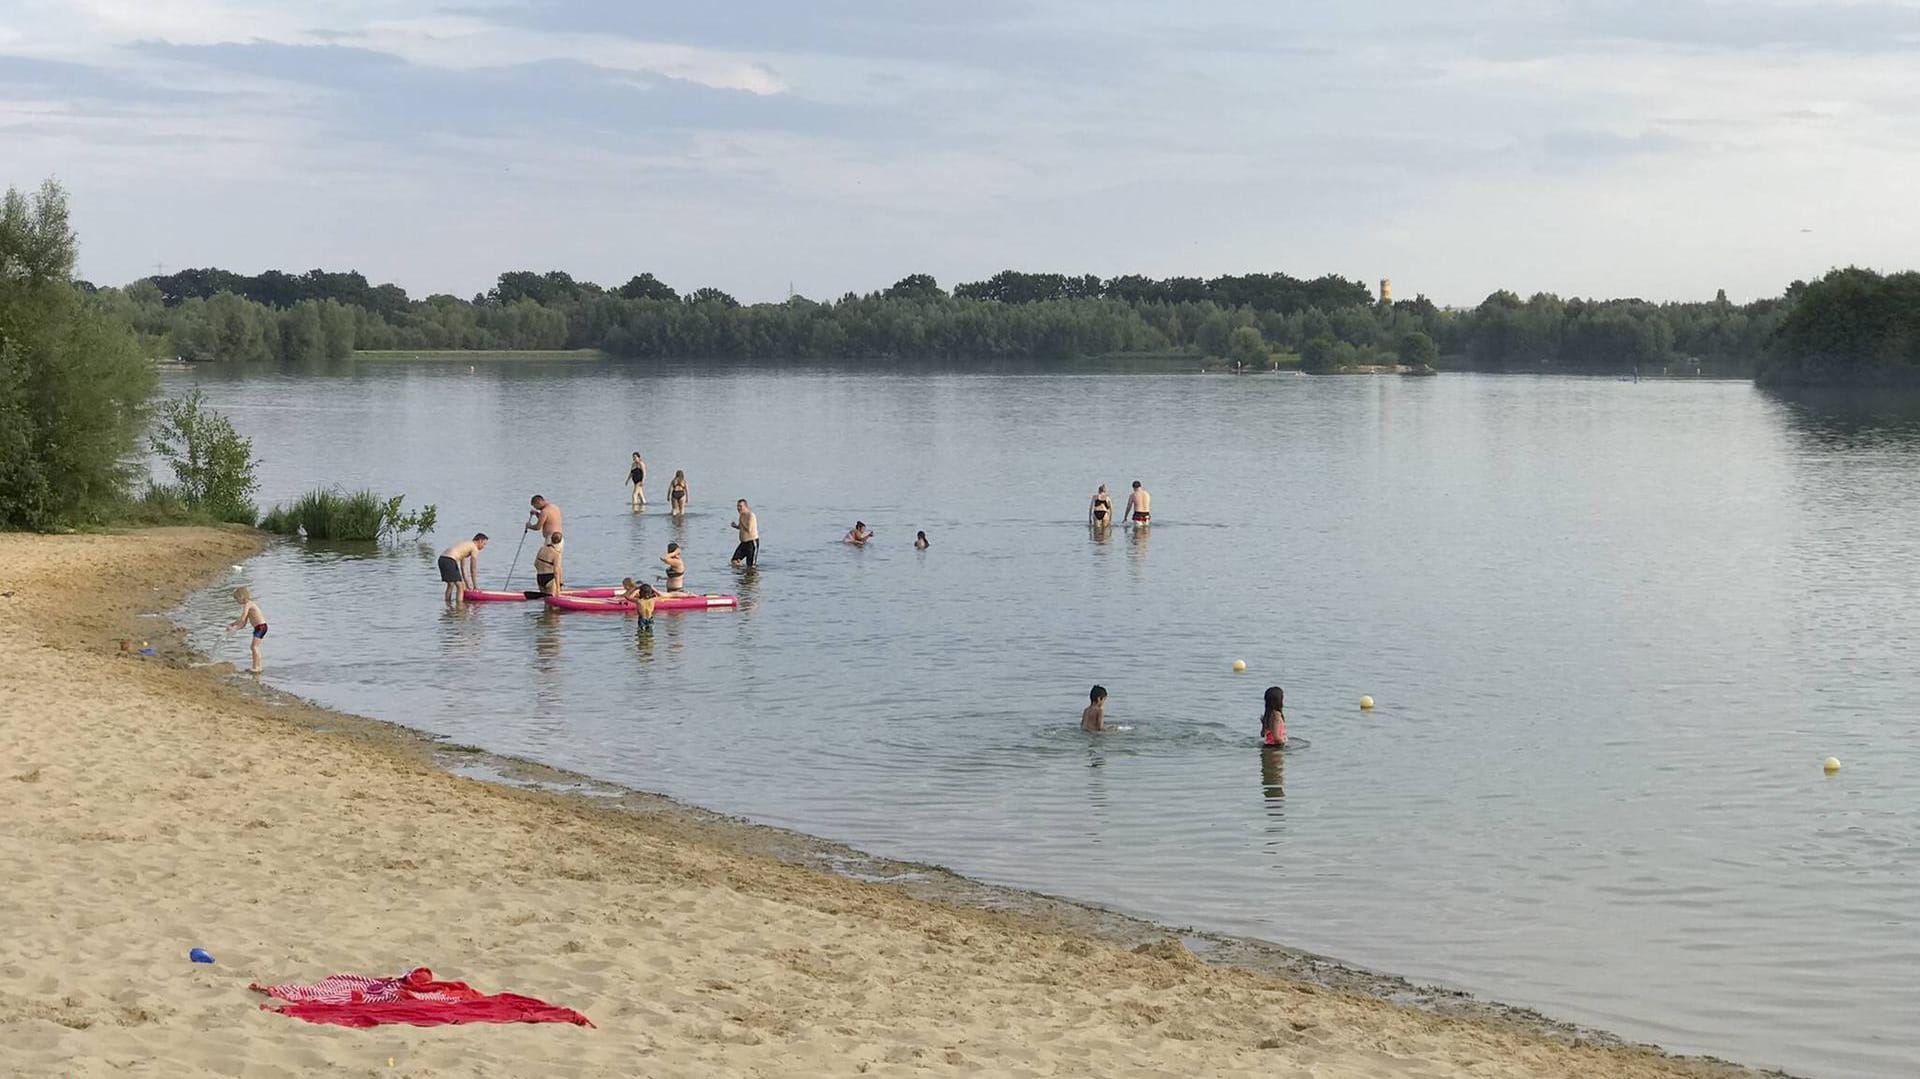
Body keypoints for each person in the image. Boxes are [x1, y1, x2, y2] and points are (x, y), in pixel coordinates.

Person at [225, 587, 267, 674]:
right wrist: (233, 625)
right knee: (254, 647)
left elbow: (243, 617)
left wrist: (234, 627)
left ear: (241, 597)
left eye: (237, 599)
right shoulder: (248, 605)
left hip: (261, 627)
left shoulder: (248, 604)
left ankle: (257, 667)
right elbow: (243, 623)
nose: (237, 602)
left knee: (255, 647)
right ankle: (256, 666)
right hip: (259, 627)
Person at [437, 533, 488, 604]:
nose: (483, 547)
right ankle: (460, 608)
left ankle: (447, 604)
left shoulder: (466, 545)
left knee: (451, 584)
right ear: (480, 541)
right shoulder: (474, 548)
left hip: (442, 559)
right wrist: (475, 586)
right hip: (449, 560)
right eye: (484, 544)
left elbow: (463, 568)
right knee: (460, 586)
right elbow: (473, 568)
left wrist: (468, 585)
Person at [729, 500, 759, 567]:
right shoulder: (741, 515)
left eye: (740, 506)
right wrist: (735, 526)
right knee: (734, 561)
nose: (738, 508)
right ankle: (741, 575)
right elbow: (741, 527)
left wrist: (742, 521)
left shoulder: (750, 515)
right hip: (744, 543)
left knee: (751, 565)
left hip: (752, 543)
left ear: (746, 507)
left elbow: (748, 529)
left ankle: (750, 575)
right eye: (737, 506)